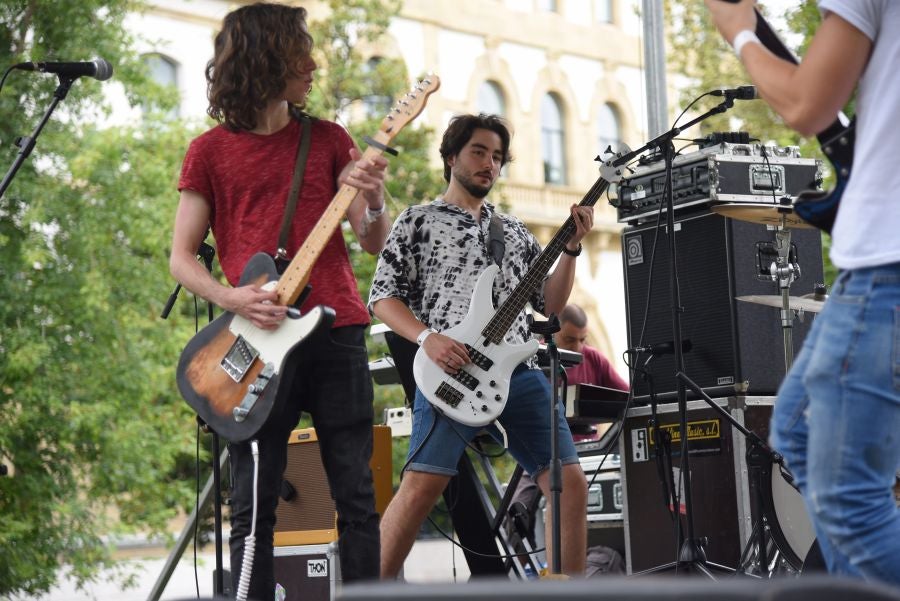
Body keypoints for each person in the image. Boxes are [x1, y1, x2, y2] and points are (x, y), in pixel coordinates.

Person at [169, 3, 390, 598]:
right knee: (252, 507)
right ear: (268, 58)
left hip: (337, 327)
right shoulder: (208, 152)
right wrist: (233, 298)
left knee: (358, 498)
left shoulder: (332, 140)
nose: (313, 65)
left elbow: (372, 242)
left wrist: (375, 200)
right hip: (256, 340)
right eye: (300, 53)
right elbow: (182, 258)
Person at [706, 0, 900, 583]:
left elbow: (806, 102)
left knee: (849, 503)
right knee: (795, 428)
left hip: (885, 261)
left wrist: (741, 33)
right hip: (878, 260)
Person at [369, 113, 592, 579]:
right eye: (478, 152)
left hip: (518, 369)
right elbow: (382, 298)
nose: (489, 163)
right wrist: (427, 338)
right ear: (451, 157)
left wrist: (570, 250)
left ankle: (568, 591)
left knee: (569, 482)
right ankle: (373, 588)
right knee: (422, 486)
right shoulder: (417, 221)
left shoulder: (512, 231)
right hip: (454, 370)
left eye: (496, 157)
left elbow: (549, 305)